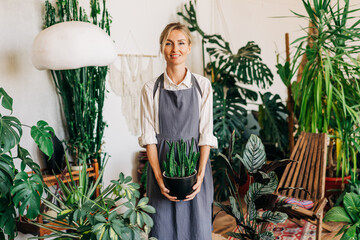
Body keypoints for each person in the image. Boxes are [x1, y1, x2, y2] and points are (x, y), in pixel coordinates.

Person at [139, 22, 218, 240]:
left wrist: (200, 175)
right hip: (161, 166)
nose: (175, 49)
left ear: (189, 47)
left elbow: (206, 135)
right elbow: (149, 139)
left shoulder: (203, 85)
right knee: (161, 230)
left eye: (181, 43)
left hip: (195, 166)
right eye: (169, 43)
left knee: (198, 230)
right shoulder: (150, 88)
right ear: (162, 47)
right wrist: (158, 178)